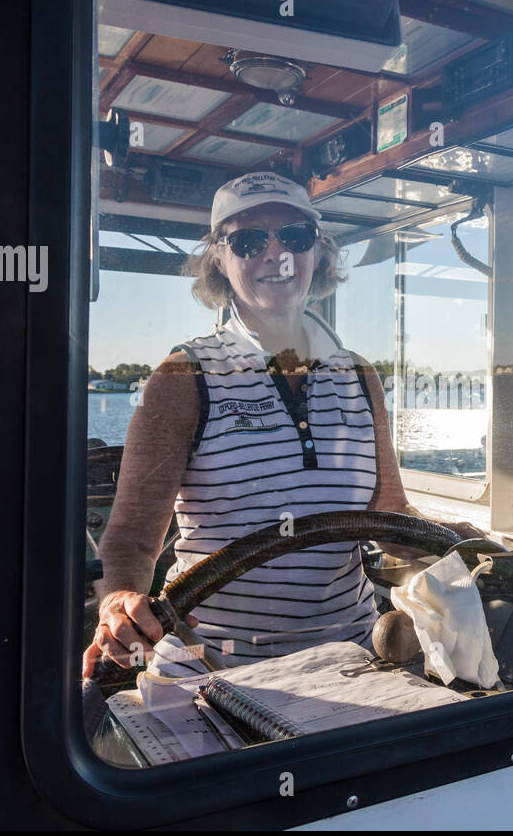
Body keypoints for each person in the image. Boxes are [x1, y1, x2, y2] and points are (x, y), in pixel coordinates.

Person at [82, 171, 484, 680]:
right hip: (217, 666)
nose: (276, 253)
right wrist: (119, 601)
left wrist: (458, 540)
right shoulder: (182, 378)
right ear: (219, 261)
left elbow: (389, 514)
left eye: (294, 236)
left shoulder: (360, 376)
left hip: (355, 659)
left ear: (318, 252)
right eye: (248, 240)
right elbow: (135, 537)